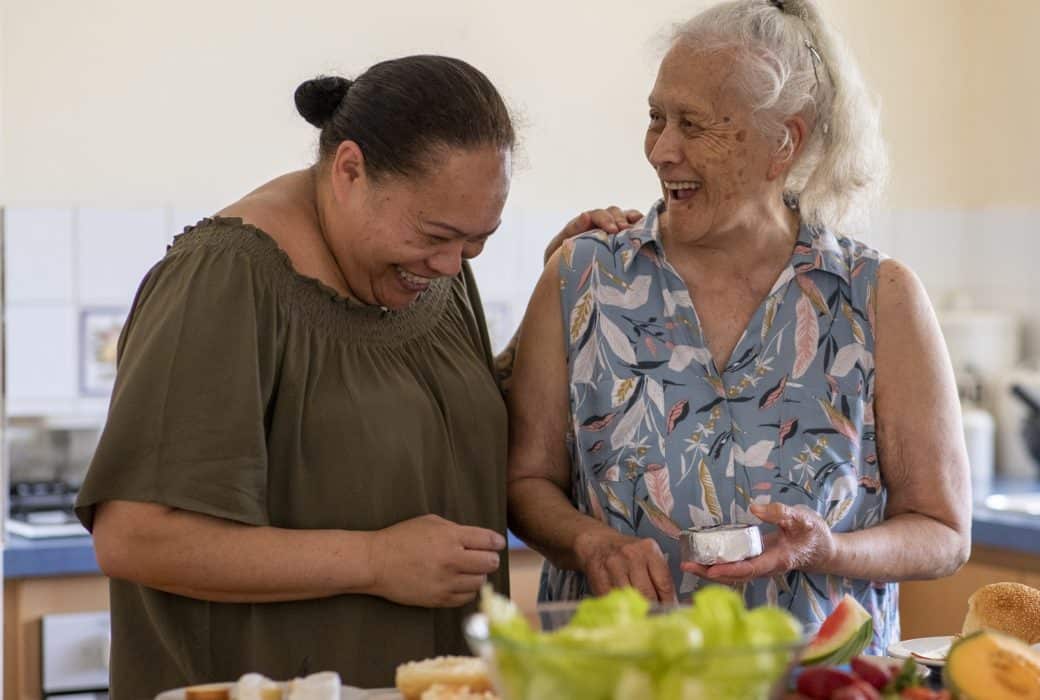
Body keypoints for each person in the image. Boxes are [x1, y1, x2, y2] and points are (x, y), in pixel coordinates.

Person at [75, 55, 637, 697]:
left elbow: (451, 426)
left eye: (477, 242)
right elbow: (136, 537)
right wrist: (373, 561)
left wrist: (561, 285)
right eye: (439, 234)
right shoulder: (225, 278)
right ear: (349, 170)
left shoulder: (425, 270)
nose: (454, 264)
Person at [507, 0, 972, 653]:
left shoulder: (879, 298)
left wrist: (829, 549)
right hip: (619, 678)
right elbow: (525, 482)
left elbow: (943, 532)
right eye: (656, 118)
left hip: (821, 687)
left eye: (694, 125)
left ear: (784, 142)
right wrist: (591, 542)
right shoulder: (583, 276)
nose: (662, 151)